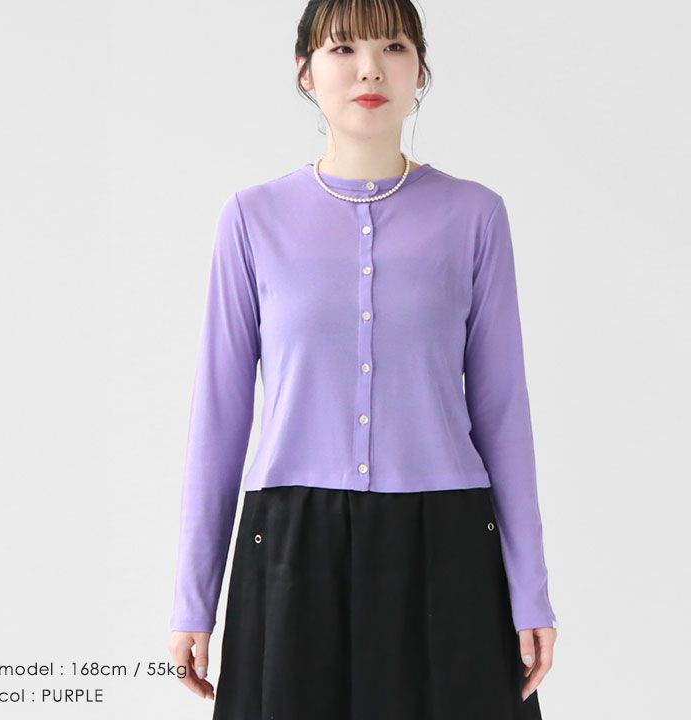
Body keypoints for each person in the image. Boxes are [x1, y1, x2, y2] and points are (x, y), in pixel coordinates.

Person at [168, 0, 558, 717]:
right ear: (305, 71)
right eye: (343, 48)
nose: (370, 68)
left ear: (420, 71)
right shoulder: (252, 219)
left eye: (394, 47)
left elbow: (503, 411)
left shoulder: (476, 216)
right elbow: (218, 419)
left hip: (446, 541)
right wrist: (194, 600)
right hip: (291, 542)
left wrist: (529, 589)